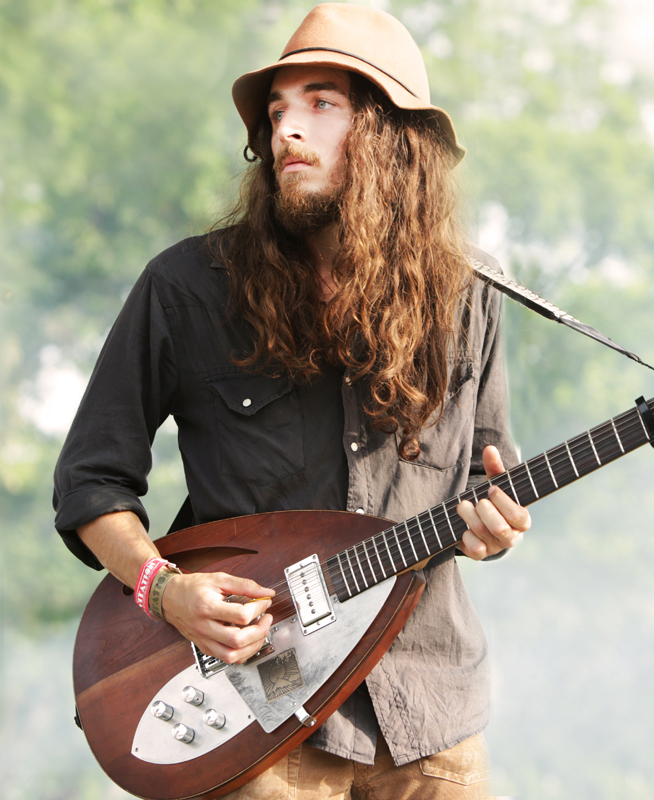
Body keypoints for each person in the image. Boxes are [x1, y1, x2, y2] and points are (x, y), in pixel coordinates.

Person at [53, 4, 531, 797]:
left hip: (431, 715)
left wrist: (497, 522)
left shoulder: (472, 292)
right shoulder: (186, 289)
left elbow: (490, 476)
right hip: (258, 723)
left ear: (389, 135)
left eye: (320, 105)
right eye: (276, 111)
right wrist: (164, 591)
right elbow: (89, 485)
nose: (286, 132)